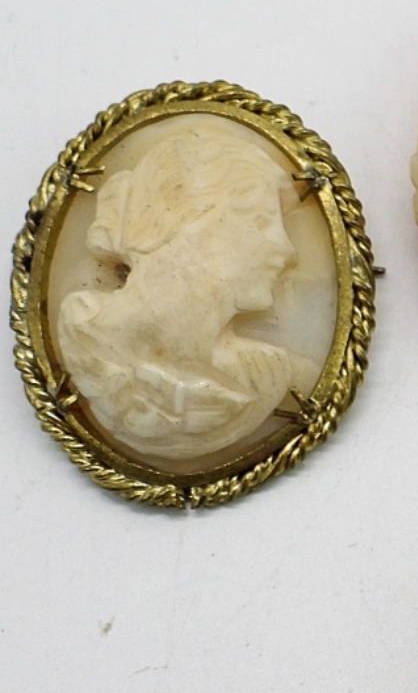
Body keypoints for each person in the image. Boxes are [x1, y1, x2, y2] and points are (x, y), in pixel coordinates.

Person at [57, 119, 303, 459]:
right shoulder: (87, 338)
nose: (287, 249)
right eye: (260, 221)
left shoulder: (264, 374)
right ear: (183, 222)